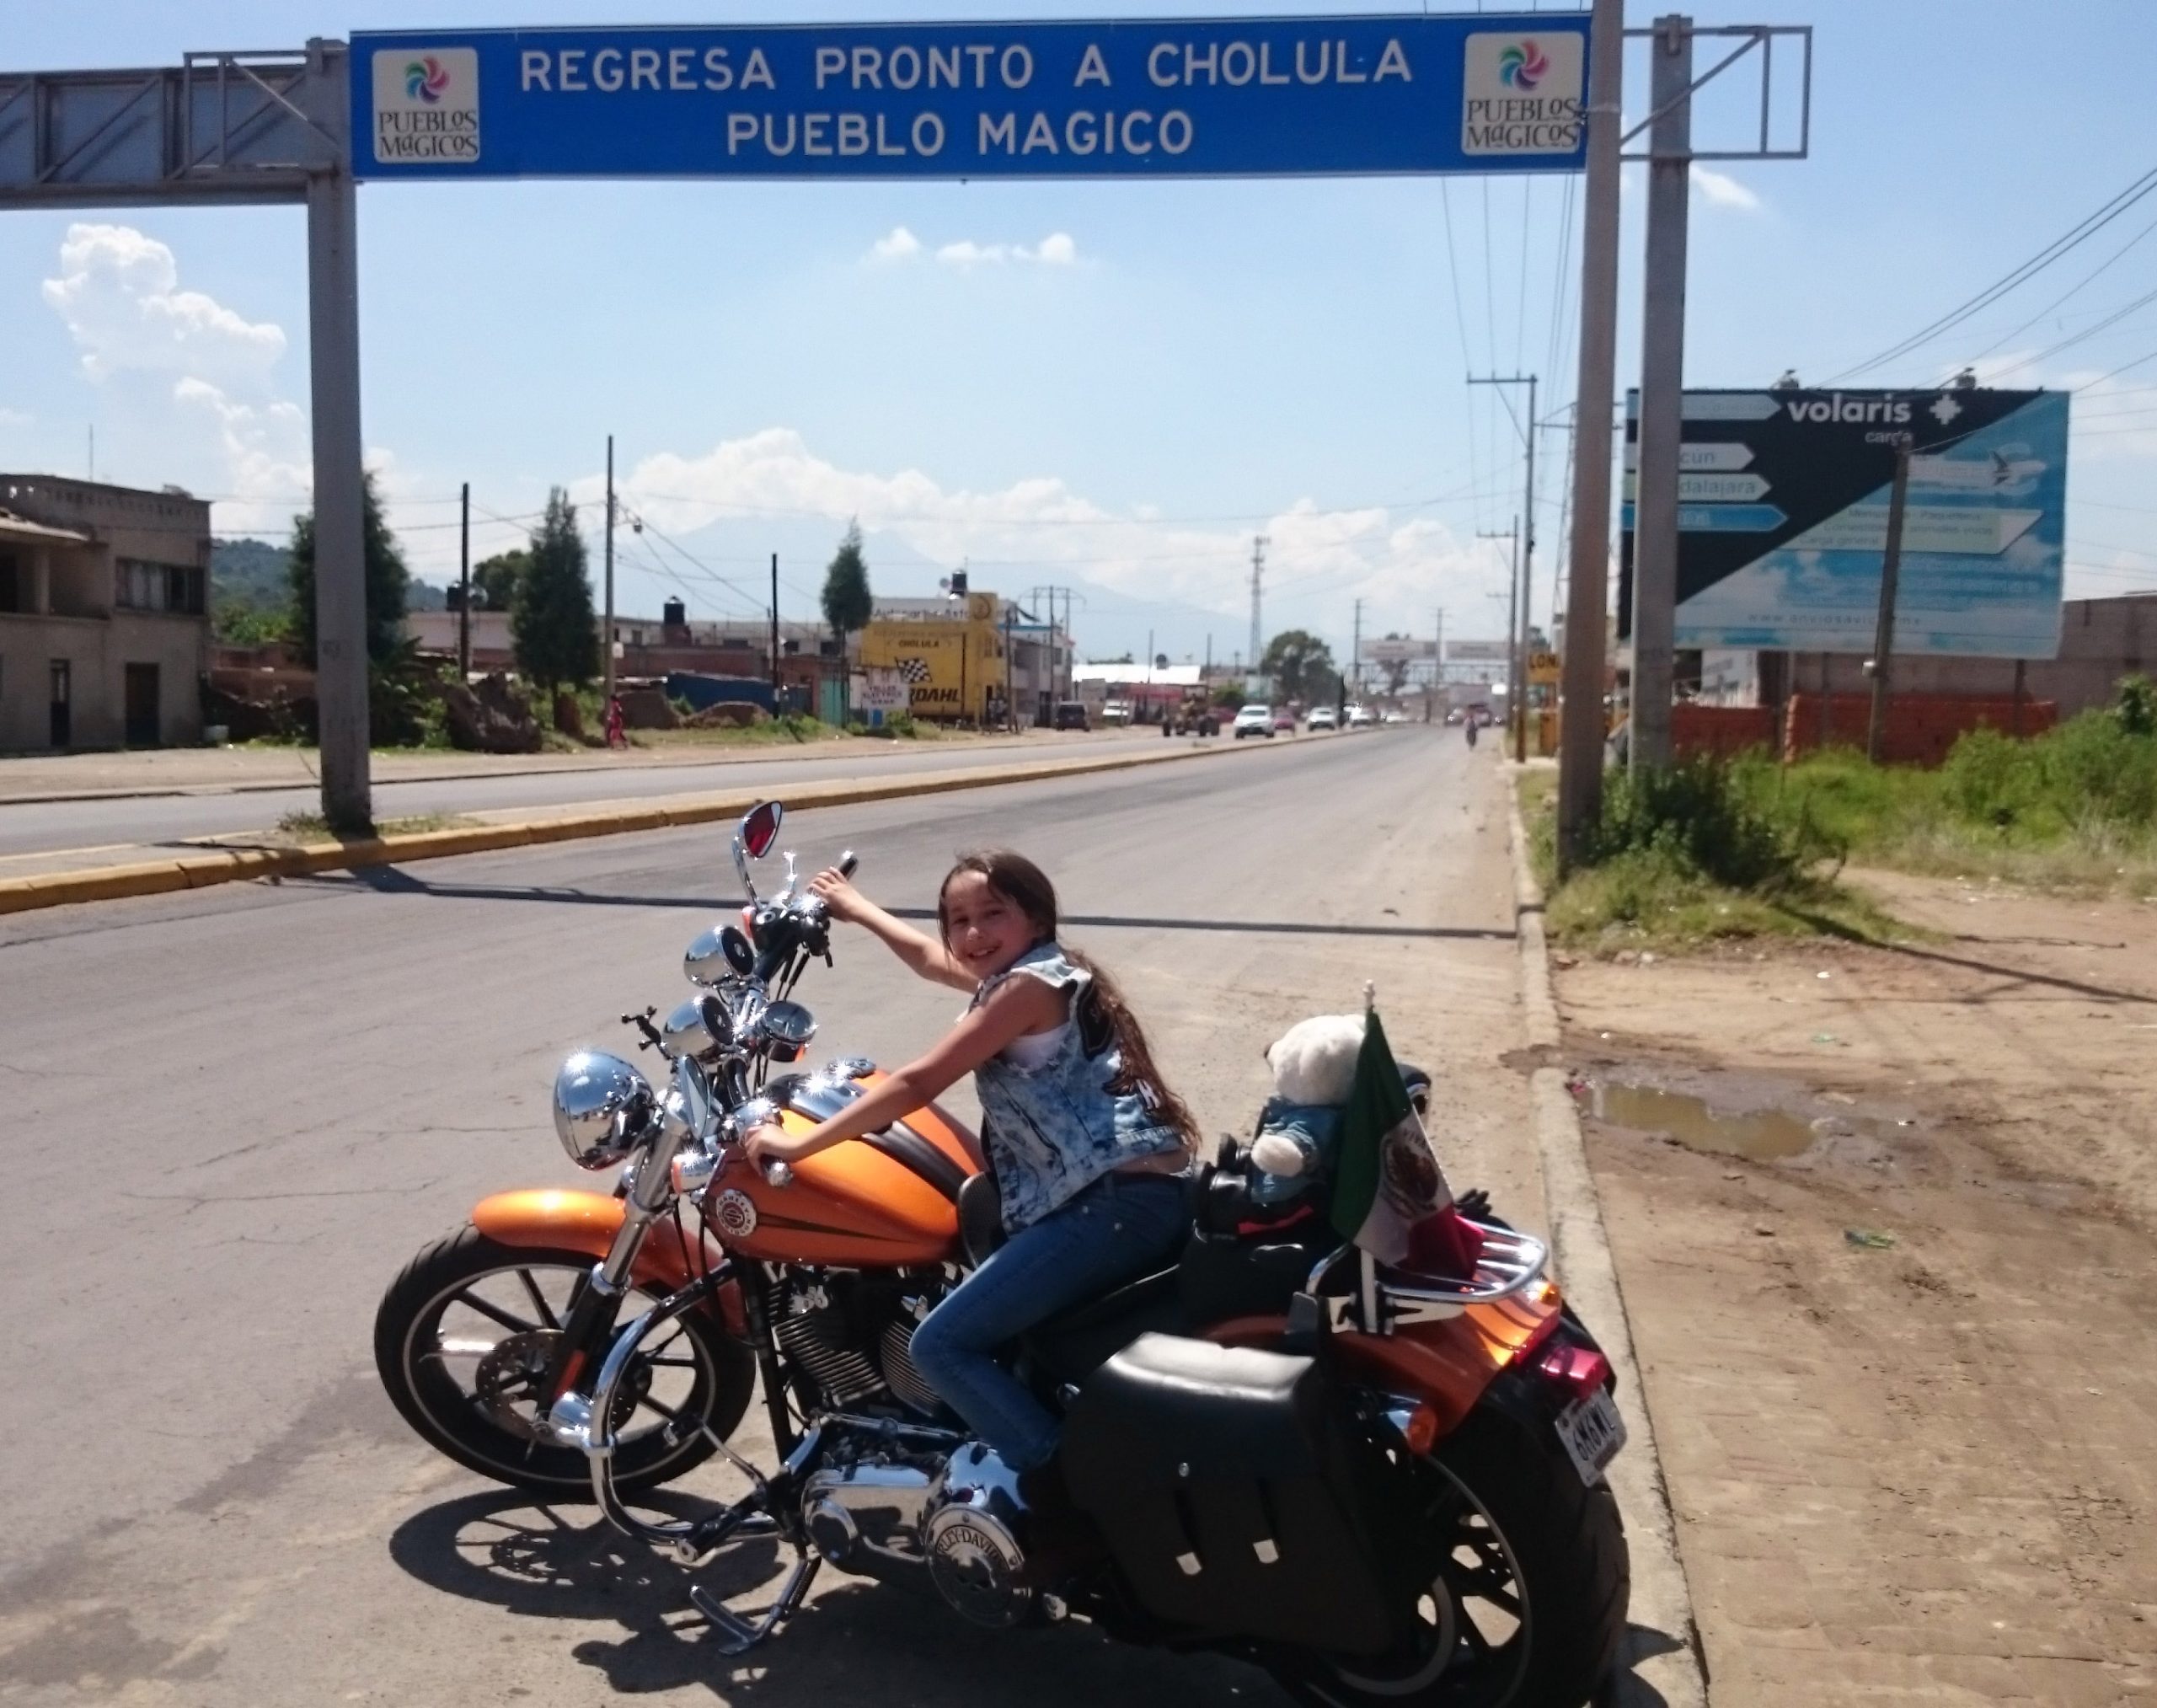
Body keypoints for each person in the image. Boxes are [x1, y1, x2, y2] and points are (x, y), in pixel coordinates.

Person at [744, 849, 1195, 1474]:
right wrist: (859, 910)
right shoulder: (1047, 973)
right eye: (958, 919)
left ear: (1035, 918)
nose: (973, 933)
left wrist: (799, 1144)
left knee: (943, 1344)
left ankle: (1061, 1492)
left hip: (1109, 1204)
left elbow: (920, 1081)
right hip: (1132, 1193)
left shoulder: (1025, 989)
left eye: (992, 913)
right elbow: (935, 960)